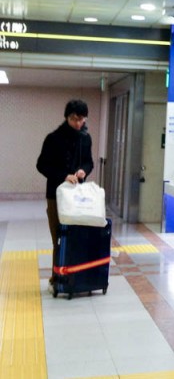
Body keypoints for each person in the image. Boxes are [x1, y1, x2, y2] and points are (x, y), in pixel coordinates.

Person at [36, 99, 94, 294]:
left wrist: (82, 171)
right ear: (67, 117)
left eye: (81, 119)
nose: (78, 124)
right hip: (56, 195)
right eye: (74, 119)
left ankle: (75, 275)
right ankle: (58, 276)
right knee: (59, 237)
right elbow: (42, 165)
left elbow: (89, 162)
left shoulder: (86, 138)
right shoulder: (53, 138)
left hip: (78, 196)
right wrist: (63, 175)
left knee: (77, 236)